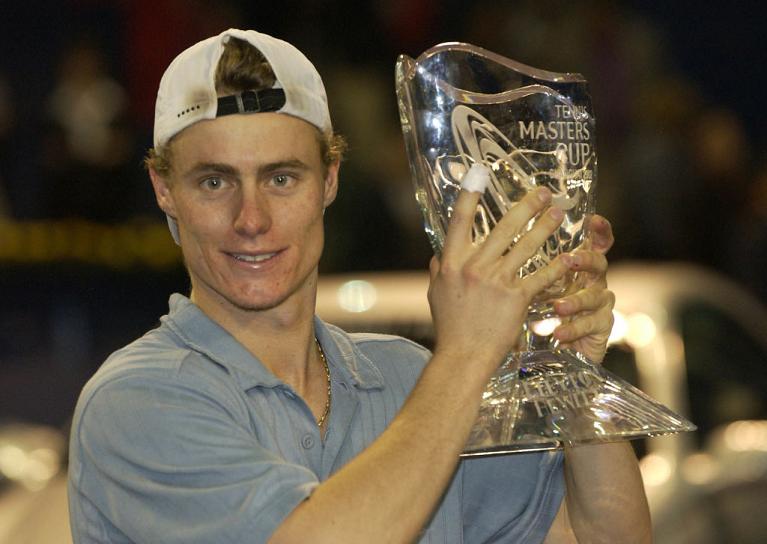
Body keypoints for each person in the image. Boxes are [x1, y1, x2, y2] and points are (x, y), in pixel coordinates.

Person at [68, 29, 651, 543]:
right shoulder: (136, 402)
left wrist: (572, 373)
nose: (251, 219)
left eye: (281, 177)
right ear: (164, 190)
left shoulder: (407, 380)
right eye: (215, 181)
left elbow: (597, 535)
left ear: (330, 180)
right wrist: (467, 354)